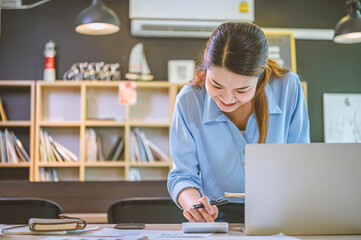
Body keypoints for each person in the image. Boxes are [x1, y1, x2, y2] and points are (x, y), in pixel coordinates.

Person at [167, 22, 310, 223]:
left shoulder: (288, 88)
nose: (227, 98)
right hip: (216, 215)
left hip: (280, 212)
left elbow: (301, 162)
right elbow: (182, 175)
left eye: (241, 90)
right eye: (216, 85)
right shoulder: (188, 101)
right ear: (206, 70)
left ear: (260, 78)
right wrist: (195, 205)